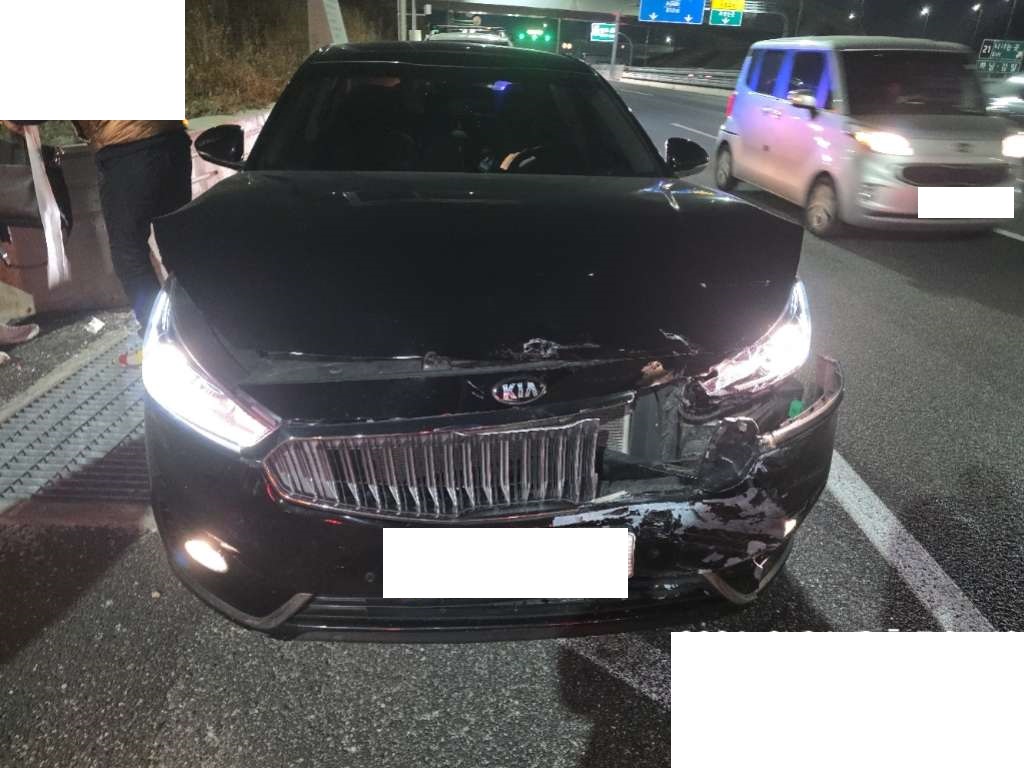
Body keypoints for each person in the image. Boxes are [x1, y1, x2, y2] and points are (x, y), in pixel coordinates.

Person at [2, 120, 192, 366]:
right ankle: (200, 334)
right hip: (172, 139)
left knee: (128, 253)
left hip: (128, 150)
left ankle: (163, 343)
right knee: (178, 245)